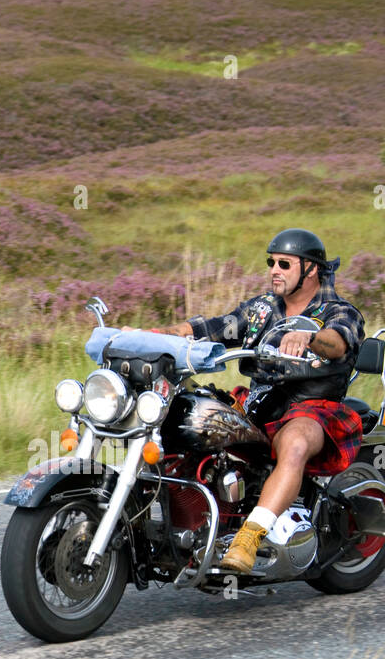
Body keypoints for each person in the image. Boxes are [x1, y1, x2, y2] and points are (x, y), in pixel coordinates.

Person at [146, 228, 365, 574]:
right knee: (181, 417)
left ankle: (249, 538)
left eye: (284, 263)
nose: (274, 269)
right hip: (259, 403)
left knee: (293, 445)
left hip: (312, 408)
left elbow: (338, 342)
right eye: (271, 262)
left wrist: (309, 338)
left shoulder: (339, 311)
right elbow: (217, 327)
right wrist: (156, 335)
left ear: (311, 270)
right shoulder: (262, 309)